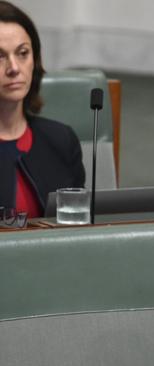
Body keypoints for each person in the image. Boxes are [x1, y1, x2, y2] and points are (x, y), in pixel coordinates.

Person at [0, 1, 84, 218]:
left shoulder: (61, 141)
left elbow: (79, 227)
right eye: (0, 56)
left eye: (23, 53)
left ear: (35, 60)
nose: (14, 68)